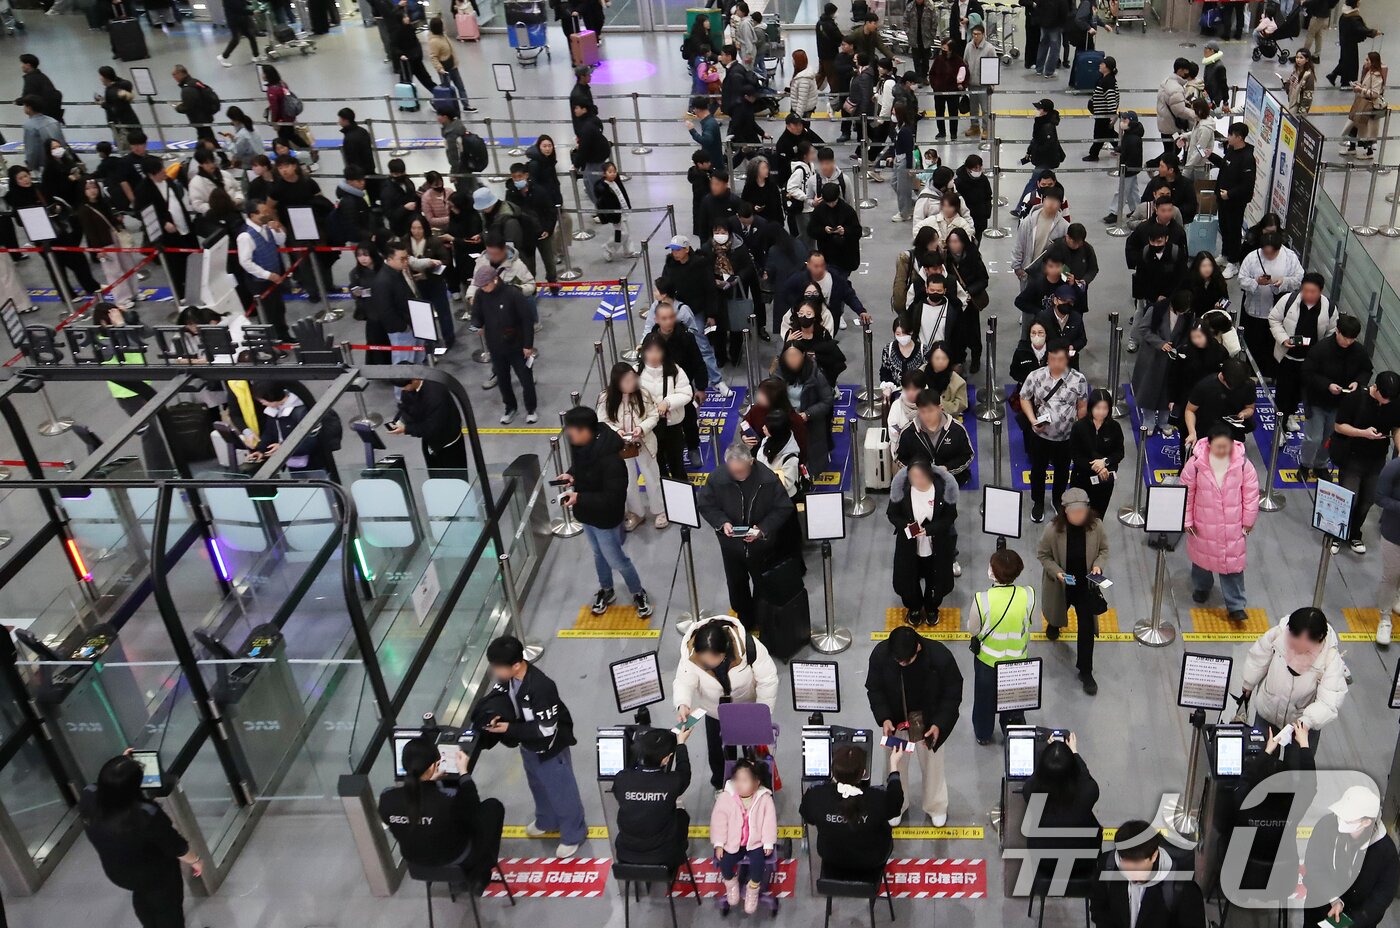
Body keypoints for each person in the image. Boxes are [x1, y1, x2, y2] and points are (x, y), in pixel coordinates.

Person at [480, 635, 586, 858]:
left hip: (549, 748)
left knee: (561, 791)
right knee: (538, 785)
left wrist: (509, 728)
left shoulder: (541, 688)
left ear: (516, 665)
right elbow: (503, 697)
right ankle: (546, 820)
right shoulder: (509, 680)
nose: (495, 672)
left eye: (498, 667)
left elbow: (547, 728)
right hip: (528, 745)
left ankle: (573, 834)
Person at [79, 752, 203, 928]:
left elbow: (106, 786)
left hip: (118, 871)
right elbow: (175, 846)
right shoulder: (145, 815)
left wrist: (120, 766)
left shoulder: (89, 796)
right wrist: (196, 861)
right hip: (155, 873)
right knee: (167, 909)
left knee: (142, 897)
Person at [560, 407, 654, 617]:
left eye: (572, 430)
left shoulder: (611, 459)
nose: (569, 433)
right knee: (598, 553)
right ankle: (606, 589)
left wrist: (579, 497)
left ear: (585, 431)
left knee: (616, 559)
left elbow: (613, 497)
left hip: (605, 518)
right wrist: (570, 475)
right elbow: (582, 468)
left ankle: (638, 592)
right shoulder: (583, 446)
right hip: (587, 514)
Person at [864, 625, 963, 826]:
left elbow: (952, 694)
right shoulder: (881, 656)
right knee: (894, 764)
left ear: (918, 648)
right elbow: (875, 689)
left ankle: (936, 805)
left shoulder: (940, 658)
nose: (900, 663)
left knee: (933, 765)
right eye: (897, 660)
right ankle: (896, 804)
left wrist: (939, 725)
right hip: (896, 722)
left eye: (905, 661)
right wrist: (884, 718)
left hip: (928, 723)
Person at [378, 735, 504, 890]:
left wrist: (433, 782)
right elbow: (473, 810)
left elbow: (417, 811)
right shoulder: (449, 800)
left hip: (415, 859)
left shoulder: (386, 799)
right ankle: (480, 871)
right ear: (432, 767)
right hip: (455, 856)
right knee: (493, 807)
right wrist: (464, 774)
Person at [697, 444, 797, 629]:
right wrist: (722, 522)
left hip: (762, 547)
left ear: (751, 461)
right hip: (731, 547)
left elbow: (783, 507)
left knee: (763, 585)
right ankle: (745, 619)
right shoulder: (717, 479)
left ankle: (763, 617)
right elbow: (706, 505)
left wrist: (762, 528)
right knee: (736, 586)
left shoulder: (767, 480)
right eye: (733, 471)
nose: (738, 475)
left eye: (741, 471)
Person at [674, 614, 779, 788]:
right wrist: (683, 703)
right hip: (714, 712)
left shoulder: (749, 646)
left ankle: (755, 783)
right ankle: (721, 784)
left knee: (751, 752)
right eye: (704, 661)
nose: (708, 665)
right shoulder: (690, 655)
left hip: (747, 710)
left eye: (713, 660)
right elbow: (684, 681)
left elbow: (768, 679)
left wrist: (762, 713)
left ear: (725, 651)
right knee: (718, 753)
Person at [1179, 425, 1260, 623]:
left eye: (1226, 447)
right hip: (1202, 523)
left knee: (1232, 566)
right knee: (1201, 561)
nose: (1222, 451)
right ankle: (1202, 587)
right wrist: (1187, 520)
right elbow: (1186, 494)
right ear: (1209, 445)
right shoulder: (1196, 464)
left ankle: (1236, 605)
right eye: (1218, 447)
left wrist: (1249, 520)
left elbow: (1250, 495)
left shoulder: (1243, 464)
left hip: (1232, 525)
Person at [1241, 607, 1348, 753]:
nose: (1294, 646)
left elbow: (1329, 701)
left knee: (1297, 770)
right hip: (1267, 711)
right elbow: (1258, 657)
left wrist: (1306, 722)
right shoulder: (1278, 634)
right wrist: (1249, 682)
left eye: (1302, 645)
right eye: (1293, 640)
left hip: (1302, 725)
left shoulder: (1329, 657)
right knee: (1259, 761)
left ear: (1319, 638)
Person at [1036, 487, 1108, 693]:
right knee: (1058, 609)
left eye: (1082, 511)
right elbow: (1043, 555)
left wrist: (1098, 566)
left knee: (1086, 627)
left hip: (1086, 585)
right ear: (1065, 511)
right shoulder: (1052, 530)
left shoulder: (1097, 526)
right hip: (1063, 583)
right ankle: (1054, 624)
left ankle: (1086, 670)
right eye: (1074, 512)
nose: (1078, 516)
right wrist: (1058, 573)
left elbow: (1104, 550)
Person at [799, 743, 902, 879]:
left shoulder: (816, 795)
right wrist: (893, 767)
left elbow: (808, 816)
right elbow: (895, 805)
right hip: (873, 860)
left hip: (831, 858)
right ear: (864, 773)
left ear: (833, 771)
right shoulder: (878, 798)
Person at [1302, 786, 1399, 928]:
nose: (1339, 821)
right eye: (1339, 815)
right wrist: (1334, 899)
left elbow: (1381, 897)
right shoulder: (1326, 826)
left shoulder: (1385, 853)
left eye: (1347, 819)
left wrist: (1351, 923)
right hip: (1320, 906)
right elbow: (1314, 864)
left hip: (1357, 919)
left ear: (1366, 822)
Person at [1330, 372, 1400, 562]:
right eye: (1383, 397)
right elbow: (1339, 426)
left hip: (1377, 460)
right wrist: (1362, 433)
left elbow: (1396, 427)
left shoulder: (1394, 402)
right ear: (1374, 387)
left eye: (1390, 399)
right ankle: (1336, 534)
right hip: (1352, 456)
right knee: (1348, 498)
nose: (1386, 402)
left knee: (1368, 499)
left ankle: (1354, 533)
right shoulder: (1354, 399)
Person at [969, 549, 1034, 744]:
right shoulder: (1029, 594)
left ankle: (983, 734)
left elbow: (973, 630)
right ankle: (1011, 731)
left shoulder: (982, 599)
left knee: (984, 703)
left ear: (993, 573)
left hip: (988, 663)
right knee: (1014, 704)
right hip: (1017, 664)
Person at [1019, 341, 1090, 522]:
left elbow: (1082, 406)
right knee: (1038, 470)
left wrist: (1077, 427)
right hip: (1041, 436)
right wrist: (1032, 419)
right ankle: (1038, 502)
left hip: (1066, 438)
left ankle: (1058, 499)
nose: (1056, 363)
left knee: (1062, 470)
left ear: (1066, 359)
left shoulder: (1078, 379)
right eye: (1052, 359)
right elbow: (1024, 397)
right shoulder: (1036, 376)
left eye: (1060, 359)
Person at [1090, 820, 1206, 928]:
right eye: (1124, 862)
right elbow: (1099, 909)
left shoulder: (1182, 887)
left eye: (1137, 865)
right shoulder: (1108, 866)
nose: (1130, 874)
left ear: (1154, 855)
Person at [1020, 736, 1101, 887]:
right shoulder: (1088, 792)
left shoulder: (1031, 791)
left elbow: (1035, 777)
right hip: (1084, 862)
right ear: (1073, 770)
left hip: (1044, 862)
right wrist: (1074, 753)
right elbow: (1085, 775)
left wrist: (1048, 757)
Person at [1300, 314, 1373, 482]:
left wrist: (1358, 382)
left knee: (1329, 438)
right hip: (1318, 400)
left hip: (1341, 404)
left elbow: (1366, 369)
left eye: (1352, 339)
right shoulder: (1321, 349)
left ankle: (1320, 465)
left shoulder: (1358, 351)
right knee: (1314, 438)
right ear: (1337, 332)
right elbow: (1307, 373)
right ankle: (1305, 464)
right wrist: (1327, 385)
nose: (1348, 342)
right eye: (1345, 338)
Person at [597, 361, 666, 532]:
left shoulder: (643, 394)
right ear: (617, 382)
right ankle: (636, 513)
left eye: (632, 379)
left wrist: (641, 428)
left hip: (644, 442)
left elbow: (653, 415)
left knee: (651, 476)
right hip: (620, 446)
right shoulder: (606, 398)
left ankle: (660, 510)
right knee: (627, 480)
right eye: (626, 381)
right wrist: (617, 431)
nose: (631, 383)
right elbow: (602, 421)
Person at [886, 459, 958, 623]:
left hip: (937, 545)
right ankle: (914, 608)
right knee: (909, 578)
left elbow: (950, 516)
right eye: (913, 477)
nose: (916, 481)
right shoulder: (902, 490)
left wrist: (931, 529)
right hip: (910, 546)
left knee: (936, 579)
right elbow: (892, 514)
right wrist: (909, 527)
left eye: (920, 476)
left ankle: (932, 608)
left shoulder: (942, 490)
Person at [612, 727, 694, 868]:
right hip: (664, 856)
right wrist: (681, 744)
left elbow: (620, 789)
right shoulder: (672, 782)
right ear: (666, 759)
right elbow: (684, 771)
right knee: (681, 815)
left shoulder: (622, 779)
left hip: (626, 854)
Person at [1270, 272, 1337, 433]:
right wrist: (1283, 339)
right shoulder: (1289, 300)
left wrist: (1321, 353)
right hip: (1287, 357)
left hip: (1310, 362)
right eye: (1305, 290)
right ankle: (1280, 426)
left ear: (1320, 291)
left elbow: (1331, 332)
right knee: (1283, 392)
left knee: (1300, 391)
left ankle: (1291, 414)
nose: (1308, 295)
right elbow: (1274, 319)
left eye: (1312, 291)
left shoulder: (1329, 308)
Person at [470, 266, 538, 425]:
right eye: (481, 286)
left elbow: (527, 320)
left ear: (495, 279)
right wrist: (476, 326)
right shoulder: (481, 295)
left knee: (525, 379)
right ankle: (510, 407)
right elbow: (476, 316)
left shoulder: (512, 294)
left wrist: (528, 345)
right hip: (495, 347)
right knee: (503, 380)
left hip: (517, 346)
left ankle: (531, 409)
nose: (483, 289)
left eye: (485, 285)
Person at [710, 759, 777, 915]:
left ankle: (752, 889)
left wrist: (767, 842)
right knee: (725, 863)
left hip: (755, 843)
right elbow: (719, 821)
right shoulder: (726, 798)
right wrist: (719, 843)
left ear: (756, 783)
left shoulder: (764, 799)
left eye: (745, 780)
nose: (739, 784)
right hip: (733, 842)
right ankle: (731, 884)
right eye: (736, 780)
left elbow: (769, 822)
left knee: (758, 864)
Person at [1238, 232, 1303, 369]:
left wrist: (1283, 282)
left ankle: (1272, 373)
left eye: (1271, 253)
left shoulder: (1289, 257)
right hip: (1256, 310)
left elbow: (1298, 279)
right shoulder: (1252, 258)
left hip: (1279, 311)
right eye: (1265, 252)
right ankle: (1253, 372)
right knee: (1255, 345)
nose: (1268, 256)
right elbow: (1242, 280)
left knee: (1274, 345)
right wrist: (1256, 282)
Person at [1132, 292, 1195, 434]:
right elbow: (1144, 329)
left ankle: (1163, 421)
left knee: (1168, 391)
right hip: (1153, 358)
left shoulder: (1187, 316)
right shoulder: (1157, 310)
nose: (1183, 313)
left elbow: (1187, 336)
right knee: (1149, 389)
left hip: (1172, 360)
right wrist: (1160, 343)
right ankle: (1148, 420)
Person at [637, 331, 694, 484]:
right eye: (649, 351)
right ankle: (663, 499)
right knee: (656, 466)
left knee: (677, 465)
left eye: (658, 351)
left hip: (672, 425)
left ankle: (682, 498)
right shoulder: (636, 372)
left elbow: (686, 393)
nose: (653, 355)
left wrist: (668, 402)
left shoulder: (674, 370)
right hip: (649, 428)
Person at [235, 199, 291, 341]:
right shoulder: (245, 236)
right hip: (260, 281)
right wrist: (267, 275)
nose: (268, 215)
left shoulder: (267, 227)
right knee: (267, 313)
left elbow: (280, 241)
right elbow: (245, 262)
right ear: (252, 215)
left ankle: (283, 335)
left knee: (279, 308)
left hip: (274, 275)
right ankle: (271, 343)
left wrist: (277, 229)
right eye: (264, 212)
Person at [387, 375, 469, 472]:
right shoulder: (410, 387)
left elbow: (431, 427)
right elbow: (406, 405)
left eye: (405, 386)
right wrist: (400, 420)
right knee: (434, 474)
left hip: (447, 444)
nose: (404, 389)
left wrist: (406, 429)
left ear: (414, 380)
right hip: (430, 442)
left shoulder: (435, 396)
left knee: (454, 477)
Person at [1205, 123, 1256, 277]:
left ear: (1239, 137)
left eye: (1230, 135)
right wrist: (1211, 156)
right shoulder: (1232, 150)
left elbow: (1247, 185)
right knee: (1224, 228)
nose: (1228, 138)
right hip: (1223, 199)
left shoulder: (1247, 158)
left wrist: (1231, 194)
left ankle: (1233, 262)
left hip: (1235, 202)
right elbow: (1225, 165)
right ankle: (1225, 255)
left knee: (1233, 231)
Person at [1069, 389, 1124, 517]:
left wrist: (1105, 462)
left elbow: (1119, 452)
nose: (1101, 412)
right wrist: (1096, 467)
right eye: (1098, 407)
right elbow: (1075, 454)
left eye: (1105, 408)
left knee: (1098, 515)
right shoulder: (1079, 427)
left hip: (1105, 480)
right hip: (1081, 478)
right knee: (1077, 514)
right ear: (1091, 407)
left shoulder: (1115, 427)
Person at [1184, 357, 1257, 448]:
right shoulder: (1204, 386)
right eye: (1230, 386)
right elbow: (1190, 410)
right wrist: (1192, 432)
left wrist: (1243, 414)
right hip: (1207, 429)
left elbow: (1250, 407)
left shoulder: (1248, 385)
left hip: (1233, 431)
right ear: (1222, 376)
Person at [1012, 100, 1065, 218]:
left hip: (1045, 160)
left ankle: (1021, 208)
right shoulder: (1041, 122)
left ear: (1045, 111)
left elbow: (1047, 145)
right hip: (1042, 159)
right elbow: (1036, 140)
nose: (1036, 111)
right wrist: (1030, 150)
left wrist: (1035, 151)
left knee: (1034, 184)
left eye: (1039, 109)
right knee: (1039, 183)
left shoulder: (1047, 126)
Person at [1341, 50, 1387, 159]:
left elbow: (1375, 94)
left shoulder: (1377, 76)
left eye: (1367, 60)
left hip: (1368, 106)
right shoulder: (1368, 72)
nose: (1365, 61)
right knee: (1354, 126)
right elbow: (1367, 86)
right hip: (1361, 104)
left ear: (1373, 62)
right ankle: (1352, 147)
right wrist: (1359, 85)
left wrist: (1360, 89)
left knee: (1366, 130)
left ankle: (1369, 152)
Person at [1326, 0, 1381, 90]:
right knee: (1350, 63)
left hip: (1344, 41)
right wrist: (1374, 32)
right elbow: (1361, 29)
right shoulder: (1353, 17)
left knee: (1345, 60)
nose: (1360, 3)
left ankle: (1333, 75)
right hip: (1350, 42)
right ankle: (1346, 82)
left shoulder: (1344, 15)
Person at [1156, 58, 1197, 154]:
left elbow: (1173, 102)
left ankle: (1155, 165)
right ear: (1180, 70)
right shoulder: (1176, 88)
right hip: (1172, 127)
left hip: (1165, 124)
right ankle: (1150, 165)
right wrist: (1195, 115)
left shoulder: (1167, 81)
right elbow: (1180, 110)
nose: (1188, 73)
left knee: (1170, 151)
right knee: (1173, 152)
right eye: (1186, 70)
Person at [171, 66, 219, 147]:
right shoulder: (195, 82)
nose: (173, 77)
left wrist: (177, 107)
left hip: (199, 118)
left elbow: (188, 107)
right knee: (206, 138)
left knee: (209, 138)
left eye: (174, 74)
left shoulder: (187, 89)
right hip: (206, 115)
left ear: (180, 74)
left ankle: (222, 157)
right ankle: (210, 155)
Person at [1287, 50, 1317, 116]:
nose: (1298, 60)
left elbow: (1308, 96)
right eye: (1297, 57)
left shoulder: (1308, 75)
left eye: (1301, 58)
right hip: (1292, 101)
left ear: (1307, 60)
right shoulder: (1296, 70)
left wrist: (1301, 113)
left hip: (1299, 105)